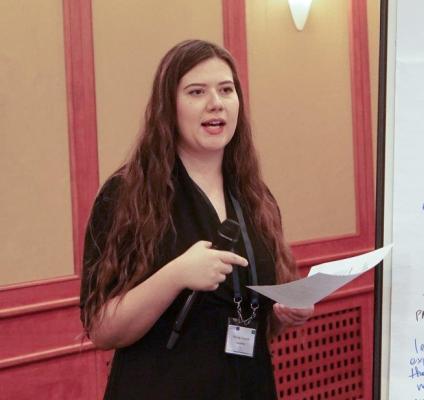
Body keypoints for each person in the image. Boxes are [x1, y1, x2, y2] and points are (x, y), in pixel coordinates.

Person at [79, 39, 314, 399]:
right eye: (196, 91)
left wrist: (284, 315)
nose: (215, 103)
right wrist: (176, 275)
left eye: (225, 89)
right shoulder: (127, 194)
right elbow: (101, 329)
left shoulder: (256, 197)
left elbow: (247, 318)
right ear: (168, 107)